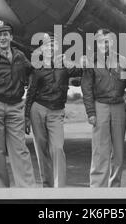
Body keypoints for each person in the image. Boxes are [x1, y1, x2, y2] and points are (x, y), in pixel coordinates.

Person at [0, 19, 36, 188]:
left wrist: (30, 87)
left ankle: (27, 191)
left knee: (20, 150)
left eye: (5, 34)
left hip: (16, 106)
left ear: (11, 37)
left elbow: (32, 72)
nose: (2, 38)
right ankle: (2, 191)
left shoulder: (19, 56)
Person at [25, 32, 82, 188]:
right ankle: (46, 184)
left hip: (56, 111)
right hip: (37, 109)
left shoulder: (65, 66)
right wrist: (26, 117)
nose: (50, 47)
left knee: (57, 148)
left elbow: (81, 71)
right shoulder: (37, 68)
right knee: (41, 149)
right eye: (47, 45)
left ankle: (60, 188)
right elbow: (30, 92)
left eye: (53, 45)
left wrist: (73, 61)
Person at [81, 28, 126, 187]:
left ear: (113, 42)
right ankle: (97, 188)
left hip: (119, 106)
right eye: (101, 41)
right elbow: (86, 89)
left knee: (119, 151)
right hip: (100, 105)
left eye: (107, 41)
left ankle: (115, 187)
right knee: (100, 150)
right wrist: (90, 112)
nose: (104, 44)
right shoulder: (90, 61)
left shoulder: (123, 61)